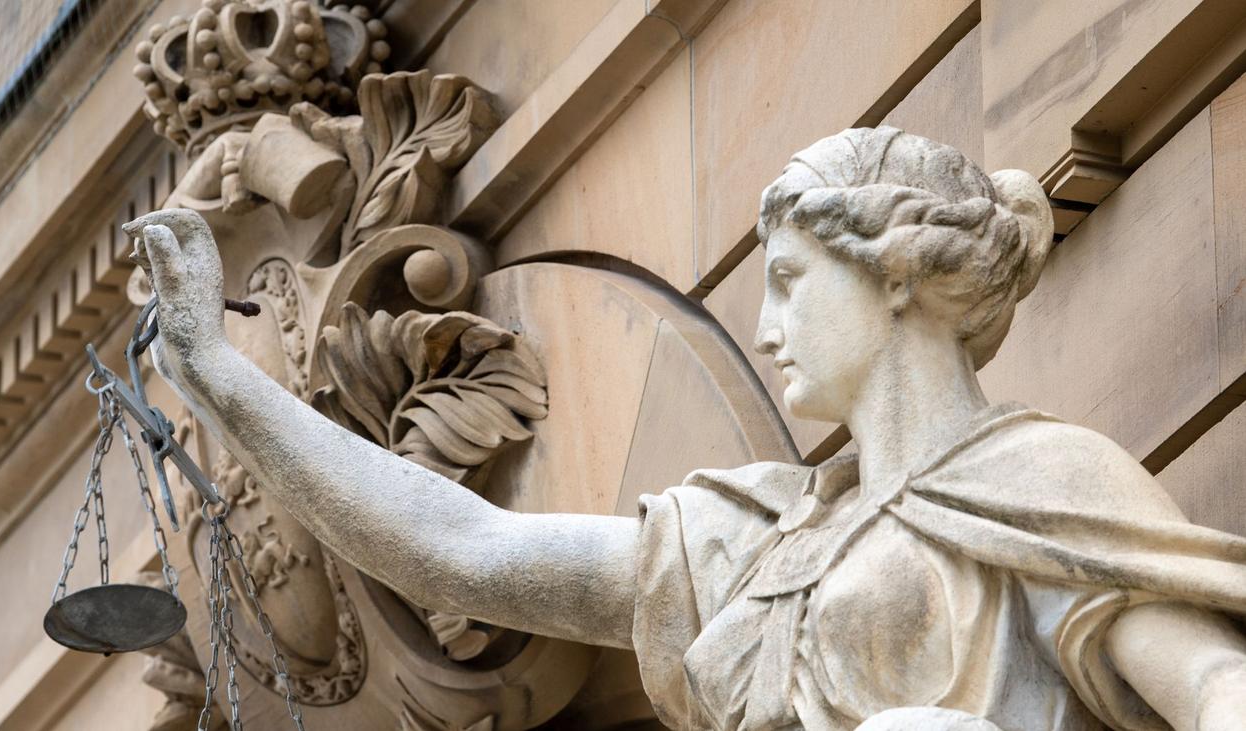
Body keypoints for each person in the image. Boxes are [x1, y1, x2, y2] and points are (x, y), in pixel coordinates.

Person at [128, 127, 1246, 730]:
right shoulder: (748, 545)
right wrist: (224, 381)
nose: (765, 326)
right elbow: (463, 550)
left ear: (897, 273)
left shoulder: (1047, 480)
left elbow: (1211, 689)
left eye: (791, 280)